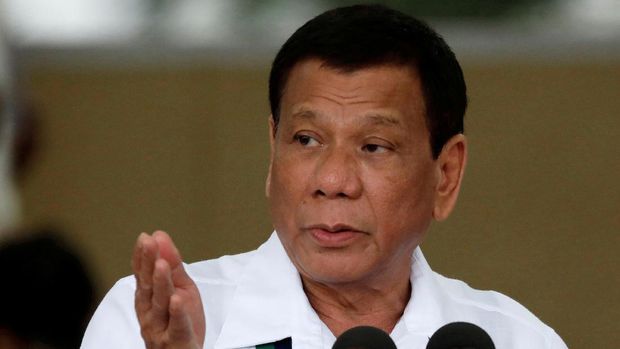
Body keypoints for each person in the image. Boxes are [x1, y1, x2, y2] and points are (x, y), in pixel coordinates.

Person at [82, 5, 568, 349]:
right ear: (273, 152)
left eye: (374, 146)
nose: (332, 180)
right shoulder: (152, 325)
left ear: (446, 174)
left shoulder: (517, 340)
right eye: (306, 140)